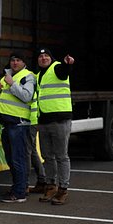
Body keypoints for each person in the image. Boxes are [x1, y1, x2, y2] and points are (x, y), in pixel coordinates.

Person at [0, 50, 36, 203]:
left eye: (18, 60)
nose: (15, 63)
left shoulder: (28, 76)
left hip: (19, 124)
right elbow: (1, 100)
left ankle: (20, 192)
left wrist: (12, 84)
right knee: (11, 160)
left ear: (24, 63)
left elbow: (27, 96)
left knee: (18, 159)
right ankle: (18, 188)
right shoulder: (6, 77)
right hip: (7, 124)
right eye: (13, 60)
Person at [35, 48, 74, 205]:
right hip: (44, 121)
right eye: (40, 56)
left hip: (60, 120)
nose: (43, 58)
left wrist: (67, 64)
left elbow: (64, 71)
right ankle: (51, 186)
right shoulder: (38, 76)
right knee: (47, 156)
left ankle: (63, 189)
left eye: (46, 56)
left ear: (51, 58)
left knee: (61, 156)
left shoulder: (57, 68)